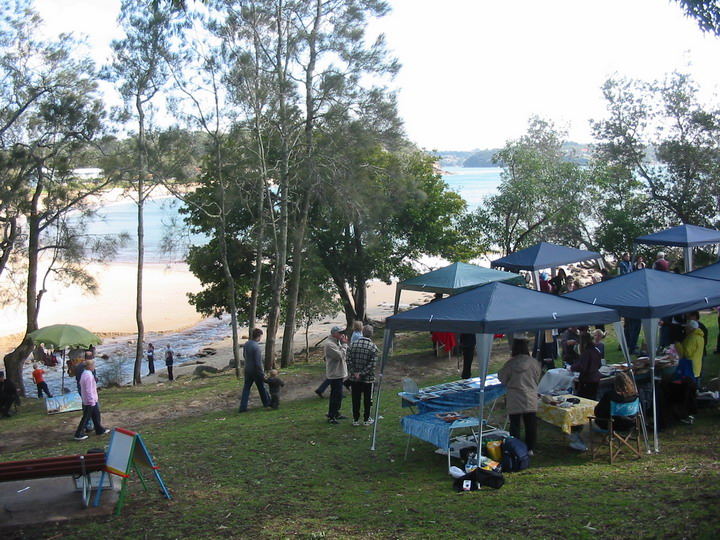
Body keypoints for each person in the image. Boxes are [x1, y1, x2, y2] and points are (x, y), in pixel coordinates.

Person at [498, 334, 541, 456]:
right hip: (530, 396)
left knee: (515, 425)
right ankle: (530, 448)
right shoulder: (533, 362)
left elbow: (502, 378)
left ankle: (516, 448)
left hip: (515, 396)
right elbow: (537, 377)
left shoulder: (510, 364)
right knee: (530, 424)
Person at [347, 325, 378, 426]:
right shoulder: (373, 347)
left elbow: (348, 360)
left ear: (362, 332)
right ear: (371, 334)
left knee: (355, 398)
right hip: (368, 379)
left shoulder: (353, 345)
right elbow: (372, 364)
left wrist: (354, 372)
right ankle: (366, 419)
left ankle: (355, 419)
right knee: (367, 399)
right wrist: (362, 373)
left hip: (354, 378)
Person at [73, 359, 110, 440]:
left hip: (91, 399)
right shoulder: (88, 375)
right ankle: (78, 434)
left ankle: (99, 429)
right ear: (89, 366)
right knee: (86, 417)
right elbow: (88, 390)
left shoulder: (85, 374)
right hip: (90, 401)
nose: (94, 367)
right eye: (93, 365)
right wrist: (91, 401)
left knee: (96, 415)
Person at [239, 328, 270, 412]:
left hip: (247, 369)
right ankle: (267, 403)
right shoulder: (256, 347)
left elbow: (244, 355)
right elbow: (258, 362)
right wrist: (261, 372)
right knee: (261, 387)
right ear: (259, 336)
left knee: (246, 388)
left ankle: (243, 407)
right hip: (255, 370)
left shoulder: (246, 344)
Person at [324, 326, 348, 424]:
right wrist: (345, 345)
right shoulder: (330, 344)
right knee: (335, 395)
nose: (342, 334)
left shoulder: (336, 342)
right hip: (335, 374)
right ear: (334, 333)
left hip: (339, 372)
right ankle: (331, 415)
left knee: (339, 395)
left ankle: (336, 412)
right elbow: (339, 356)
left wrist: (342, 345)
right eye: (340, 333)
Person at [571, 332, 602, 400]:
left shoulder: (586, 352)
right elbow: (599, 364)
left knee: (584, 399)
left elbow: (583, 367)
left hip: (587, 380)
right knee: (593, 398)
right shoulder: (596, 350)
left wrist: (572, 367)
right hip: (595, 378)